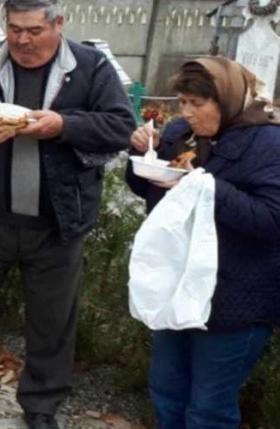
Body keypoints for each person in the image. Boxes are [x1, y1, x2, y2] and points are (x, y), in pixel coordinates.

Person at [0, 0, 136, 429]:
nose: (22, 40)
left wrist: (63, 125)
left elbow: (121, 126)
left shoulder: (89, 68)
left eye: (34, 30)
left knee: (52, 321)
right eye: (14, 28)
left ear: (59, 23)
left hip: (58, 223)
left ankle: (42, 405)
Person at [127, 58, 280, 429]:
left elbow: (271, 218)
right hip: (177, 284)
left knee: (209, 409)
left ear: (226, 100)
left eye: (197, 103)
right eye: (182, 102)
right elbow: (153, 191)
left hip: (236, 297)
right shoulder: (182, 134)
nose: (186, 112)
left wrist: (202, 185)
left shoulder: (269, 142)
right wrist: (146, 154)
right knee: (167, 391)